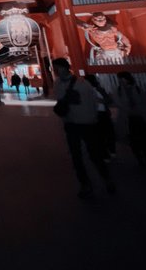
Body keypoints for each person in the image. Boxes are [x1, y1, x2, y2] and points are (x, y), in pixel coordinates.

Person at [52, 58, 115, 198]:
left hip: (87, 123)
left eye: (57, 68)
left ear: (66, 67)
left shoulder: (83, 84)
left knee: (95, 153)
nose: (56, 71)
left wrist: (93, 118)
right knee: (76, 156)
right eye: (54, 69)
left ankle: (107, 179)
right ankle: (85, 184)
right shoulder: (57, 84)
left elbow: (93, 103)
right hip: (70, 123)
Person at [115, 71, 146, 167]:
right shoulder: (119, 90)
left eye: (121, 79)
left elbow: (145, 102)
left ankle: (145, 154)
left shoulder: (137, 89)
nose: (120, 81)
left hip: (138, 117)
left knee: (142, 138)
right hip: (129, 118)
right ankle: (140, 157)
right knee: (134, 140)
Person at [84, 74, 116, 161]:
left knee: (107, 133)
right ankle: (106, 153)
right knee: (101, 135)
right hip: (95, 114)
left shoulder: (99, 90)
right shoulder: (86, 92)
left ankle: (111, 150)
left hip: (102, 114)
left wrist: (100, 101)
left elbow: (109, 100)